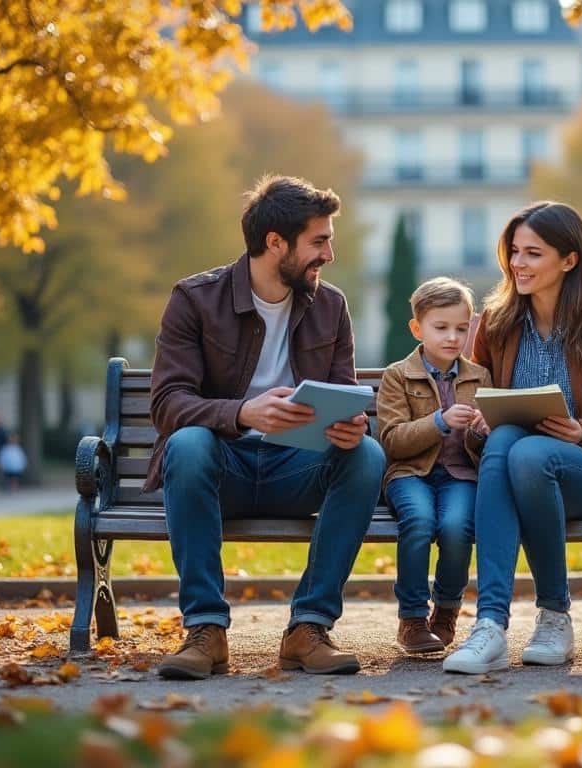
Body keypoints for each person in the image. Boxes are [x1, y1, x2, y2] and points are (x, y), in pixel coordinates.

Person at [148, 175, 384, 680]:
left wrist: (350, 425)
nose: (329, 254)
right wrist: (242, 413)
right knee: (187, 444)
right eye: (318, 241)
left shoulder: (331, 305)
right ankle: (206, 631)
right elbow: (168, 403)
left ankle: (309, 627)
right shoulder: (194, 299)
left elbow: (344, 393)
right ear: (275, 242)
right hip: (221, 468)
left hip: (294, 470)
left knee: (366, 455)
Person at [442, 202, 582, 674]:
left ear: (569, 260)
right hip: (509, 471)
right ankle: (490, 626)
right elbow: (482, 404)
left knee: (531, 453)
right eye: (514, 252)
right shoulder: (496, 325)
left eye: (533, 253)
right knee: (506, 443)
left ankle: (555, 616)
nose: (518, 263)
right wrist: (482, 422)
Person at [376, 277, 489, 655]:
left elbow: (483, 446)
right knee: (420, 521)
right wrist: (440, 421)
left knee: (457, 526)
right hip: (410, 475)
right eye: (441, 328)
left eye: (461, 328)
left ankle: (446, 609)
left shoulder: (479, 376)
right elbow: (391, 440)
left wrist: (482, 430)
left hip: (461, 475)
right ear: (417, 328)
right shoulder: (397, 375)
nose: (452, 337)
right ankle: (411, 618)